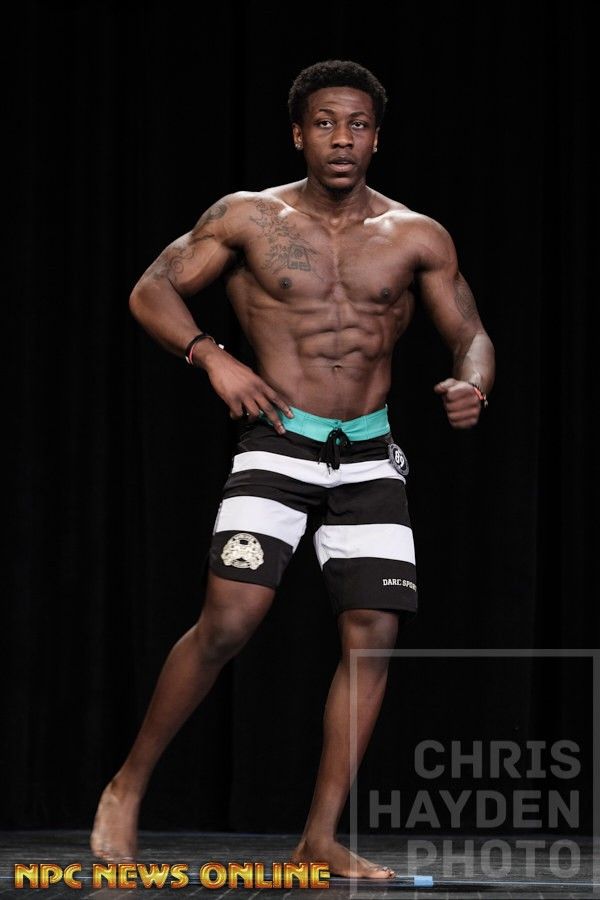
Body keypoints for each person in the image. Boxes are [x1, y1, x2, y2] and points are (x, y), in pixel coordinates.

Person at [90, 58, 495, 879]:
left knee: (373, 638)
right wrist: (212, 357)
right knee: (229, 622)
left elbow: (471, 332)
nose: (341, 139)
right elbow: (151, 290)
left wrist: (473, 383)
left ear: (377, 138)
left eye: (357, 125)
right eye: (325, 123)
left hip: (370, 452)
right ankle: (127, 785)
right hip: (279, 440)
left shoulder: (417, 235)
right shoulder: (247, 217)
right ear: (299, 134)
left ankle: (318, 836)